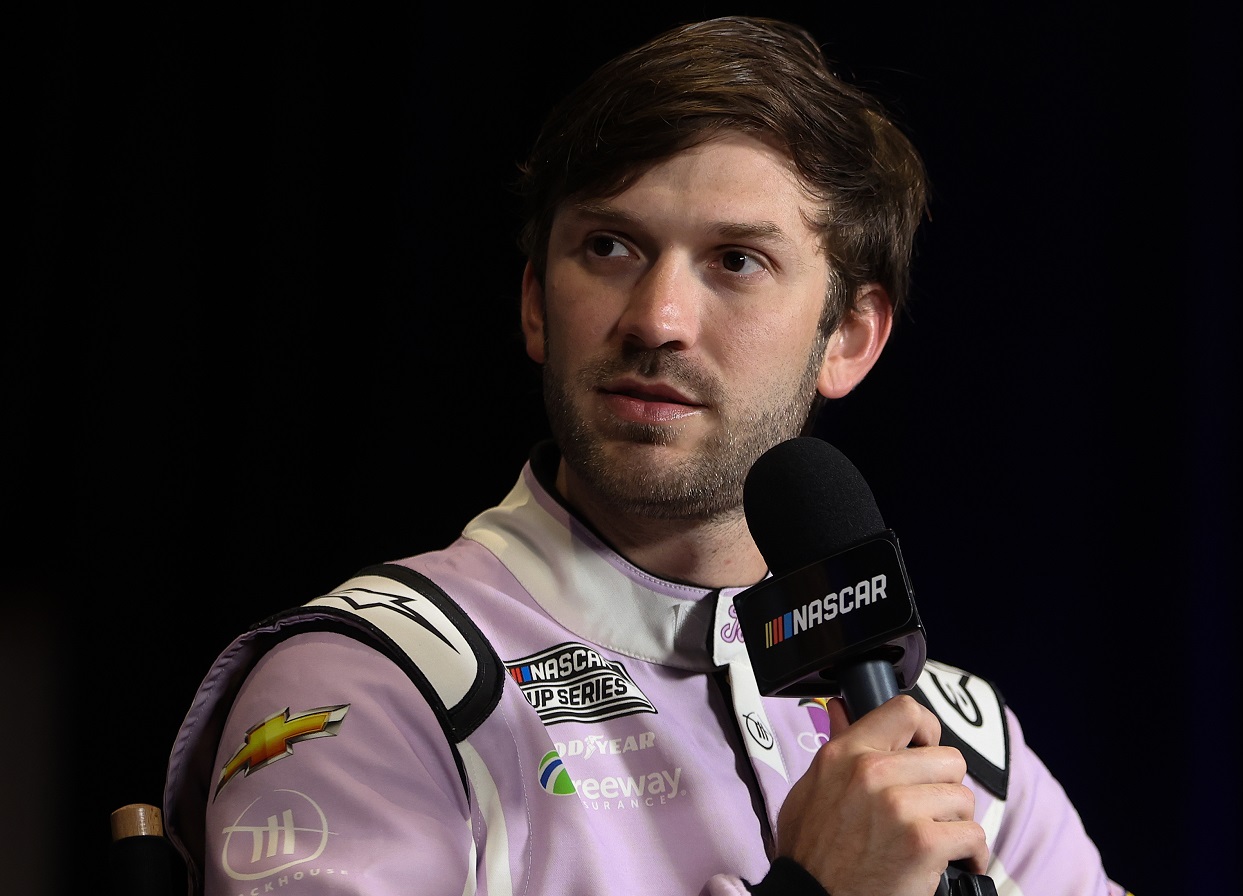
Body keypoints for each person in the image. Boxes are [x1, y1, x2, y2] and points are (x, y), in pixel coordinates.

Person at [162, 16, 1128, 896]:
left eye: (736, 261)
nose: (657, 320)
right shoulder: (374, 684)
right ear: (537, 302)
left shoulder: (961, 745)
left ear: (850, 339)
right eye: (612, 247)